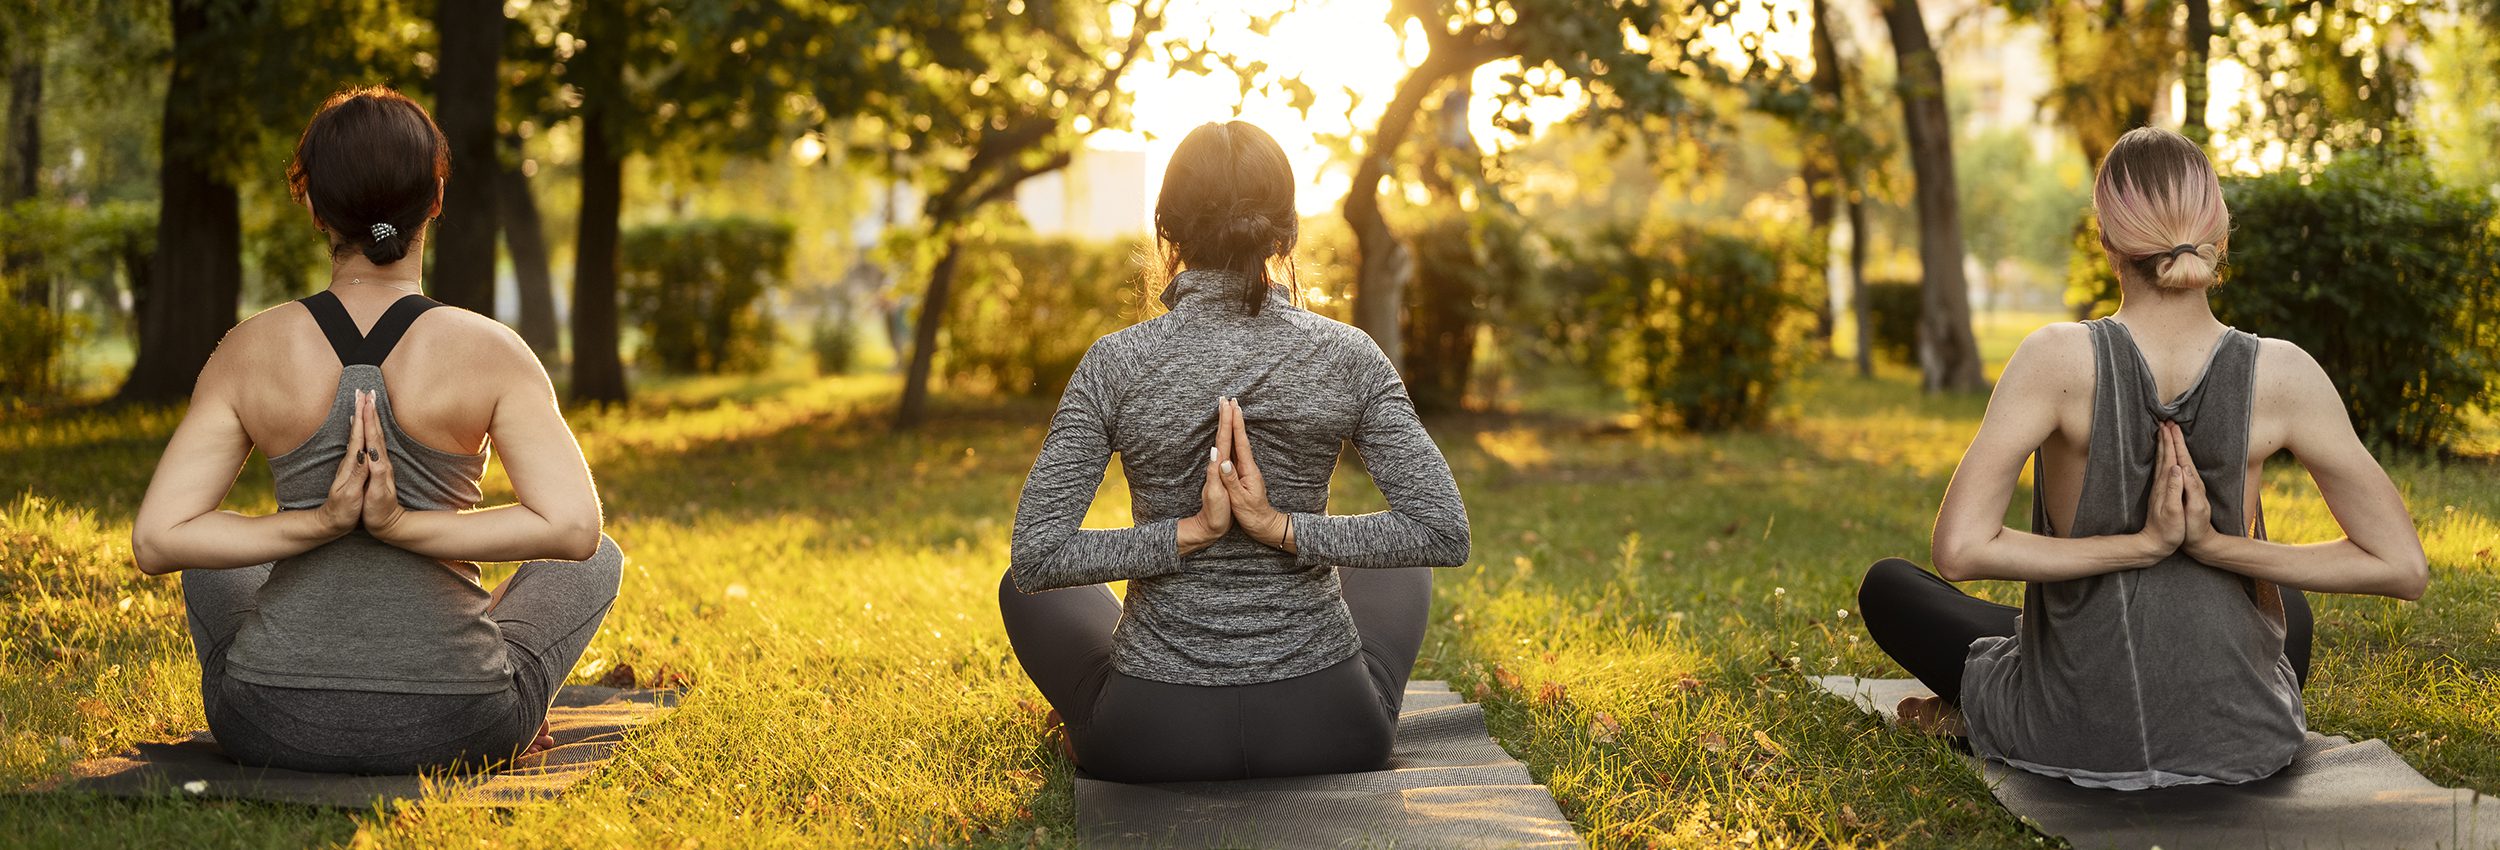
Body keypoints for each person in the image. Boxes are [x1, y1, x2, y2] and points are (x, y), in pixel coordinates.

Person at [1853, 126, 2429, 789]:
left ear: (2105, 241)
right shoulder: (2285, 372)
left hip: (2071, 729)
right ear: (2221, 233)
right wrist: (2215, 548)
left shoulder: (2054, 359)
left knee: (1890, 586)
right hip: (2243, 739)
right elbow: (2403, 566)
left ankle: (1980, 709)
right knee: (2284, 601)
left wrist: (2137, 549)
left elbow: (1957, 550)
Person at [130, 87, 623, 775]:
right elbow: (576, 530)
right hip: (463, 725)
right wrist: (409, 528)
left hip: (265, 723)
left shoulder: (249, 348)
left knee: (217, 548)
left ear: (311, 204)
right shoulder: (492, 350)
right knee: (602, 559)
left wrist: (317, 525)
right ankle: (513, 703)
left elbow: (159, 539)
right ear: (437, 197)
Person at [998, 121, 1471, 783]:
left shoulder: (1117, 363)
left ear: (1167, 230)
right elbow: (1442, 531)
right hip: (1331, 731)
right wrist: (1281, 530)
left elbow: (1037, 556)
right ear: (1287, 231)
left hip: (1150, 736)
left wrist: (1187, 536)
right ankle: (1364, 704)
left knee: (1024, 590)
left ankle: (1085, 726)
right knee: (1398, 562)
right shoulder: (1348, 354)